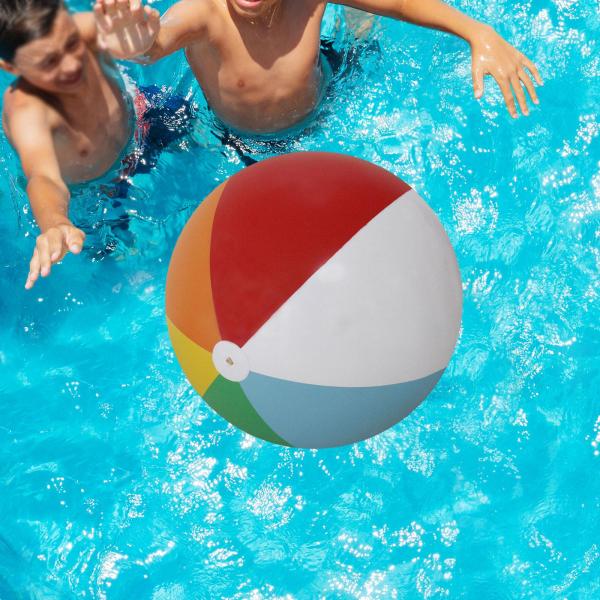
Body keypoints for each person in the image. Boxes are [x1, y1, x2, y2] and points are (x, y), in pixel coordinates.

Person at [101, 0, 542, 135]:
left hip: (326, 92)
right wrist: (136, 43)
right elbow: (156, 43)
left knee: (362, 45)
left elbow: (402, 4)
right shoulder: (203, 14)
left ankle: (357, 20)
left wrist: (477, 32)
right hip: (239, 141)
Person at [0, 0, 160, 289]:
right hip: (100, 188)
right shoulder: (28, 111)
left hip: (142, 122)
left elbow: (144, 45)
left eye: (72, 43)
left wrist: (141, 44)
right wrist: (56, 223)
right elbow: (43, 176)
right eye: (49, 62)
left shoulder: (87, 28)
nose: (72, 64)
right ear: (10, 67)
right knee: (120, 255)